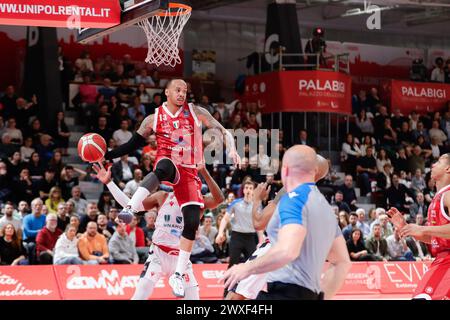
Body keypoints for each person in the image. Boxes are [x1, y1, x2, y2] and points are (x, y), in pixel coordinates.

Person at [100, 78, 240, 298]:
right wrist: (107, 155)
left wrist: (232, 150)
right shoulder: (154, 118)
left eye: (185, 90)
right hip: (169, 166)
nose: (182, 93)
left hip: (190, 174)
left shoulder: (195, 111)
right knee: (164, 166)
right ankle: (130, 207)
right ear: (166, 92)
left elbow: (223, 131)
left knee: (192, 219)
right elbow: (132, 145)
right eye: (178, 89)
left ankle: (178, 274)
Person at [222, 145, 351, 300]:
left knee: (234, 296)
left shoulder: (291, 194)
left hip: (275, 252)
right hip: (305, 280)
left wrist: (256, 200)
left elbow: (259, 223)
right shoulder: (325, 208)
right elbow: (342, 262)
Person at [93, 159, 224, 300]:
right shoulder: (163, 196)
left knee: (193, 300)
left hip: (180, 259)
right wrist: (109, 183)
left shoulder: (199, 201)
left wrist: (204, 172)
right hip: (158, 254)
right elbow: (131, 204)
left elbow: (219, 199)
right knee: (140, 295)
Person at [388, 153, 450, 299]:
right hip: (442, 259)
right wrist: (406, 227)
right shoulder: (439, 196)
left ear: (448, 169)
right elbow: (436, 238)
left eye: (439, 162)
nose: (433, 164)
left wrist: (421, 228)